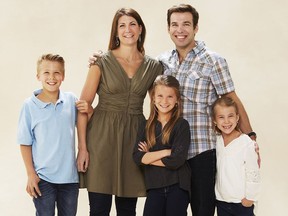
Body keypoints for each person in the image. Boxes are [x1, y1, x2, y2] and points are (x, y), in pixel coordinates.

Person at [89, 4, 259, 216]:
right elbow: (137, 79)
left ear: (196, 27)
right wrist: (100, 58)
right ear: (168, 28)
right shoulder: (162, 62)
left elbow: (231, 99)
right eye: (175, 24)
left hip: (200, 152)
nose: (180, 30)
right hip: (167, 153)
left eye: (186, 24)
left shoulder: (213, 61)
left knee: (202, 211)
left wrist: (250, 136)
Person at [76, 8, 163, 216]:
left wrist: (155, 143)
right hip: (101, 137)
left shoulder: (154, 66)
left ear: (140, 29)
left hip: (134, 137)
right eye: (121, 25)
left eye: (132, 24)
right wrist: (83, 149)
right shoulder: (100, 63)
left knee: (127, 209)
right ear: (115, 32)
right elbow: (82, 106)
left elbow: (159, 107)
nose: (127, 30)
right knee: (98, 208)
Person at [17, 53, 90, 216]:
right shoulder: (29, 106)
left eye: (57, 72)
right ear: (38, 76)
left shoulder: (71, 100)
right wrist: (30, 174)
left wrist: (83, 148)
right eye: (46, 73)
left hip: (69, 179)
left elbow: (84, 121)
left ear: (63, 76)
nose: (52, 77)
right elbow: (24, 142)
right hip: (42, 178)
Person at [133, 75, 191, 216]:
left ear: (177, 100)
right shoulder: (145, 126)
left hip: (178, 186)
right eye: (160, 96)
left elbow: (177, 160)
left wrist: (149, 158)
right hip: (154, 186)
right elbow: (137, 157)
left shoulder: (181, 125)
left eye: (170, 96)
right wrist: (166, 152)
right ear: (153, 98)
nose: (164, 101)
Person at [211, 96, 260, 216]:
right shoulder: (216, 141)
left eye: (230, 116)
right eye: (221, 117)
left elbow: (253, 172)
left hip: (241, 202)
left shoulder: (246, 143)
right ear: (215, 121)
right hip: (222, 202)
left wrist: (250, 198)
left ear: (237, 117)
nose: (226, 121)